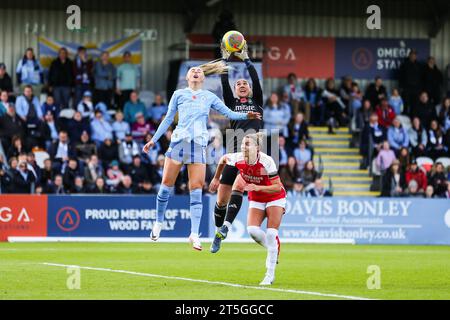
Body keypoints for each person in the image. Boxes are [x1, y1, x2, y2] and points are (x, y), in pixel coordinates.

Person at [142, 59, 261, 251]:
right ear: (188, 77)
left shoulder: (209, 96)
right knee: (165, 187)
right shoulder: (179, 94)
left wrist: (246, 115)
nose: (196, 71)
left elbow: (230, 113)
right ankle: (158, 222)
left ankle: (194, 234)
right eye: (192, 70)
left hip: (198, 147)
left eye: (199, 70)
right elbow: (168, 118)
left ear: (203, 77)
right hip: (179, 143)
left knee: (196, 192)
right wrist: (153, 140)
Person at [209, 133, 285, 285]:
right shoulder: (237, 158)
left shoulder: (266, 161)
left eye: (248, 144)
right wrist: (217, 178)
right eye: (243, 144)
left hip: (274, 197)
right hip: (256, 197)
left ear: (257, 148)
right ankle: (274, 249)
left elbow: (277, 187)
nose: (244, 147)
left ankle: (269, 275)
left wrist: (257, 186)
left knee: (271, 234)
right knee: (252, 231)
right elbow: (223, 159)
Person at [211, 42, 264, 245]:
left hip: (253, 152)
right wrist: (225, 59)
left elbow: (256, 79)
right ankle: (218, 232)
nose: (242, 85)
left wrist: (247, 59)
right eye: (238, 84)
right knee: (221, 199)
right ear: (235, 90)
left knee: (239, 188)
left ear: (250, 89)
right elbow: (224, 80)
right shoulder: (231, 104)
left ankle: (227, 227)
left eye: (245, 84)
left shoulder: (257, 101)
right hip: (234, 151)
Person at [399, 49, 424, 115]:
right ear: (409, 55)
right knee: (406, 103)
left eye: (415, 55)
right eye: (412, 55)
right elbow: (400, 76)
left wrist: (420, 89)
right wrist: (401, 87)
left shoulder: (419, 65)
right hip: (407, 88)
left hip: (416, 89)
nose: (413, 56)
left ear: (416, 56)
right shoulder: (404, 65)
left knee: (415, 104)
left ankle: (413, 117)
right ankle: (405, 116)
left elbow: (421, 78)